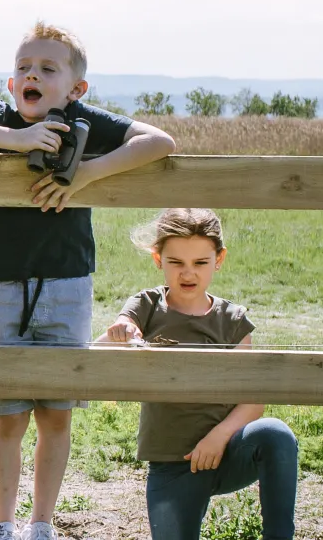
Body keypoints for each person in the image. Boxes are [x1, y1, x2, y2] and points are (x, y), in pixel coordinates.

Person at [0, 22, 175, 540]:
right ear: (11, 82)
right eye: (23, 68)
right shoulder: (1, 119)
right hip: (2, 288)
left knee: (57, 415)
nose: (31, 76)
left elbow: (160, 141)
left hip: (67, 286)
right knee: (7, 417)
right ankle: (3, 525)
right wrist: (16, 140)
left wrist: (89, 173)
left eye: (46, 68)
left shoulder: (82, 120)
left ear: (76, 88)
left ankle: (42, 524)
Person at [100, 208, 297, 540]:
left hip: (227, 450)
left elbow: (253, 400)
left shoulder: (232, 320)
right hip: (172, 462)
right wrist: (120, 332)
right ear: (158, 259)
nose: (188, 273)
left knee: (275, 433)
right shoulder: (147, 306)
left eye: (200, 262)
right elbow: (101, 348)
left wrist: (218, 437)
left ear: (219, 259)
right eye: (176, 262)